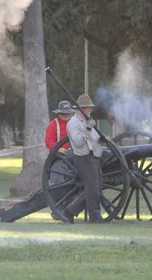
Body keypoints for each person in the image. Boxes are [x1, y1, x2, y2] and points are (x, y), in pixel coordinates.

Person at [0, 101, 78, 223]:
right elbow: (49, 141)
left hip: (76, 159)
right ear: (59, 114)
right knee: (58, 185)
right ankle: (59, 208)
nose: (66, 116)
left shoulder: (75, 124)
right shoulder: (53, 125)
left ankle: (69, 208)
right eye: (63, 114)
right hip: (59, 159)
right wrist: (58, 149)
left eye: (68, 114)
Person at [58, 94, 104, 224]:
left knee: (96, 188)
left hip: (94, 157)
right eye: (89, 108)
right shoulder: (73, 123)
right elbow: (78, 141)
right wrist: (88, 128)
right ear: (81, 109)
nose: (91, 110)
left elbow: (92, 139)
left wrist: (101, 139)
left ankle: (69, 212)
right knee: (92, 190)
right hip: (84, 158)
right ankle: (94, 218)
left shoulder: (87, 121)